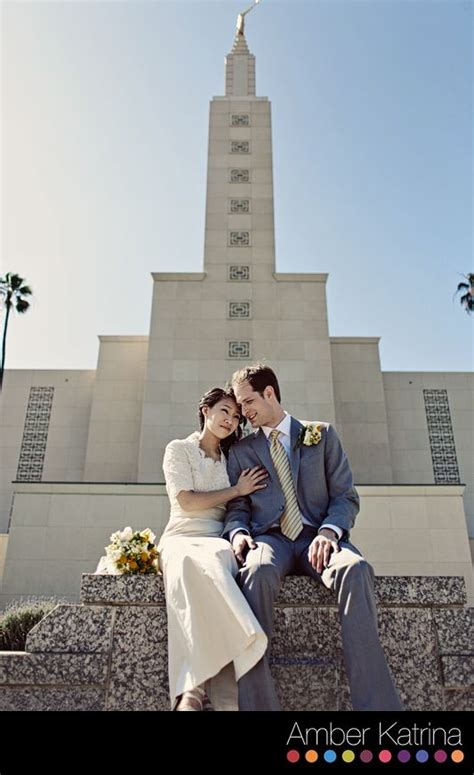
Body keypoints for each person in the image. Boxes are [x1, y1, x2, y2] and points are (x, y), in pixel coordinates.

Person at [225, 363, 403, 712]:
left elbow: (345, 496)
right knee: (255, 573)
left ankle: (377, 709)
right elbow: (237, 506)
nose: (243, 412)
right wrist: (238, 533)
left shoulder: (321, 435)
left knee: (355, 569)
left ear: (270, 393)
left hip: (318, 538)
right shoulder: (241, 451)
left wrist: (327, 532)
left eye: (247, 402)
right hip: (269, 540)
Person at [159, 387, 268, 711]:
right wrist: (236, 490)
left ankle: (192, 692)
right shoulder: (178, 449)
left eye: (236, 417)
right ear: (205, 410)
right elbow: (188, 501)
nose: (231, 420)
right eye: (224, 411)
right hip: (180, 534)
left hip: (218, 538)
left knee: (215, 564)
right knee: (186, 564)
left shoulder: (234, 459)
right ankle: (194, 690)